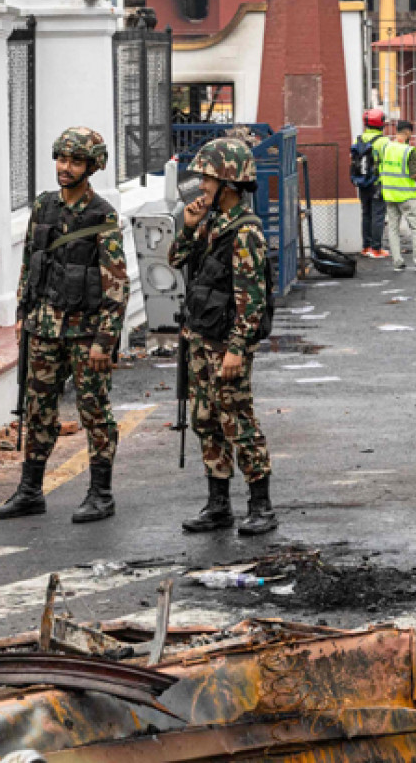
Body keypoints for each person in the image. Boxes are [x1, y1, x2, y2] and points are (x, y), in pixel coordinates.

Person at [0, 127, 129, 524]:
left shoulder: (102, 214)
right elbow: (31, 262)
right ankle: (30, 490)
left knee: (94, 412)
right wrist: (22, 313)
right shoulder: (43, 208)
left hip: (86, 333)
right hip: (44, 328)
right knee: (37, 411)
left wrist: (106, 338)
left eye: (75, 161)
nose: (65, 167)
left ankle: (100, 494)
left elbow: (116, 282)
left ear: (92, 166)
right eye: (62, 159)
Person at [171, 137, 278, 536]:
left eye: (208, 180)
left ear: (229, 184)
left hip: (225, 345)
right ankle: (218, 505)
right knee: (205, 419)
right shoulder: (213, 223)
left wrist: (238, 349)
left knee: (238, 421)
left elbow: (252, 298)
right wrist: (188, 227)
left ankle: (261, 505)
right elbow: (177, 259)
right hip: (200, 339)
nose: (202, 187)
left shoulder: (245, 232)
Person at [379, 119, 416, 272]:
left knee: (393, 229)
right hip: (406, 195)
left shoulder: (385, 147)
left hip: (389, 194)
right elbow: (412, 174)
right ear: (408, 132)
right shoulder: (409, 150)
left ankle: (397, 262)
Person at [351, 108, 388, 259]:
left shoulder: (358, 139)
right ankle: (376, 249)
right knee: (378, 215)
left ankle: (366, 247)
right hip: (378, 182)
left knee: (366, 214)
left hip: (362, 182)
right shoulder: (384, 142)